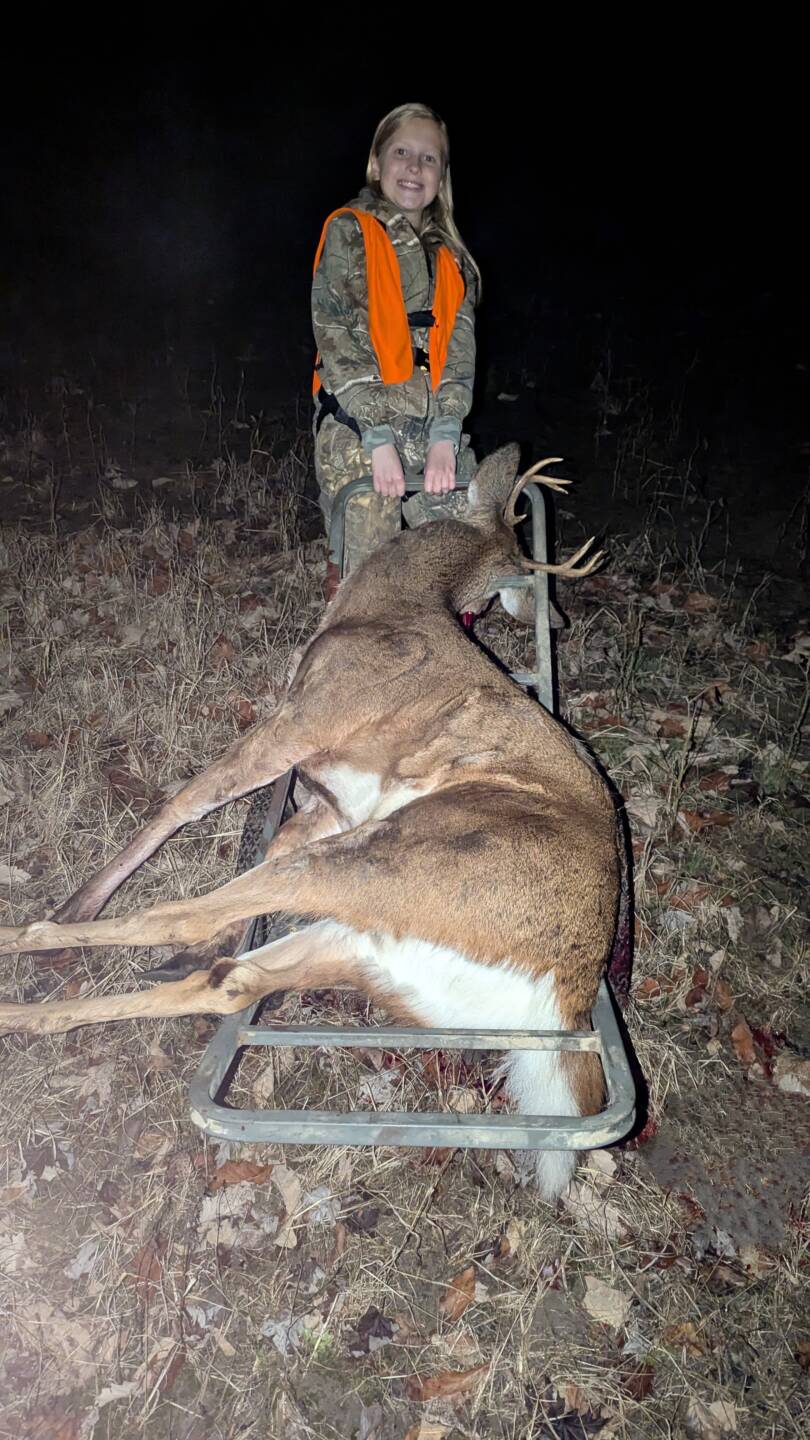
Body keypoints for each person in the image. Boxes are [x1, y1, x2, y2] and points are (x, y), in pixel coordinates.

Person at [311, 102, 481, 588]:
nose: (414, 167)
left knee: (470, 543)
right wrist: (378, 439)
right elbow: (338, 337)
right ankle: (353, 608)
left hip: (429, 427)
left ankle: (443, 628)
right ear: (377, 162)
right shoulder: (349, 230)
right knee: (372, 556)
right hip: (358, 423)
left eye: (429, 159)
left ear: (442, 177)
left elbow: (459, 356)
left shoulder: (453, 260)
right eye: (402, 152)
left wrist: (446, 438)